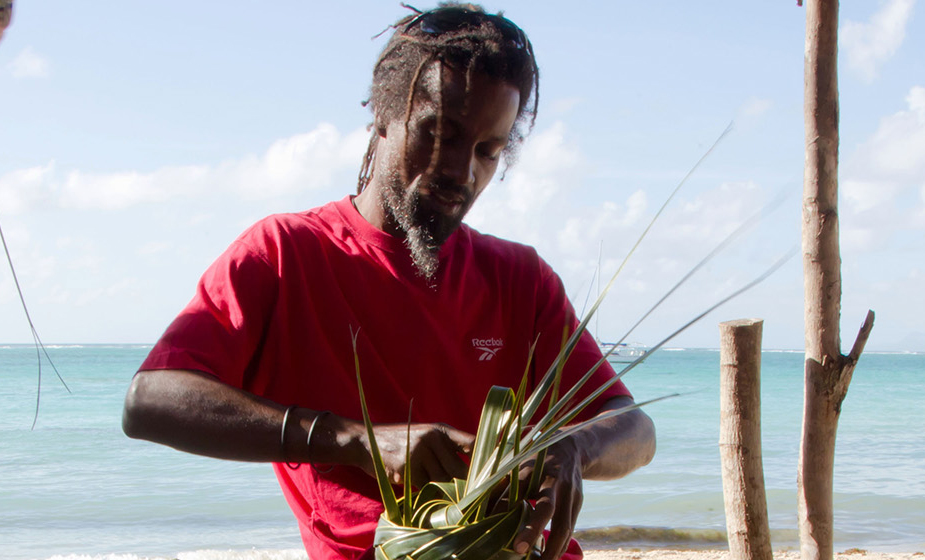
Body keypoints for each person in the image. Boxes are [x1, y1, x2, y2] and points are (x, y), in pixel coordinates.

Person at [122, 4, 656, 559]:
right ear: (384, 117)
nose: (462, 171)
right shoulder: (288, 254)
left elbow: (634, 429)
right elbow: (151, 400)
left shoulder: (521, 278)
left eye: (487, 151)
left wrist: (574, 449)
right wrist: (358, 440)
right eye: (440, 132)